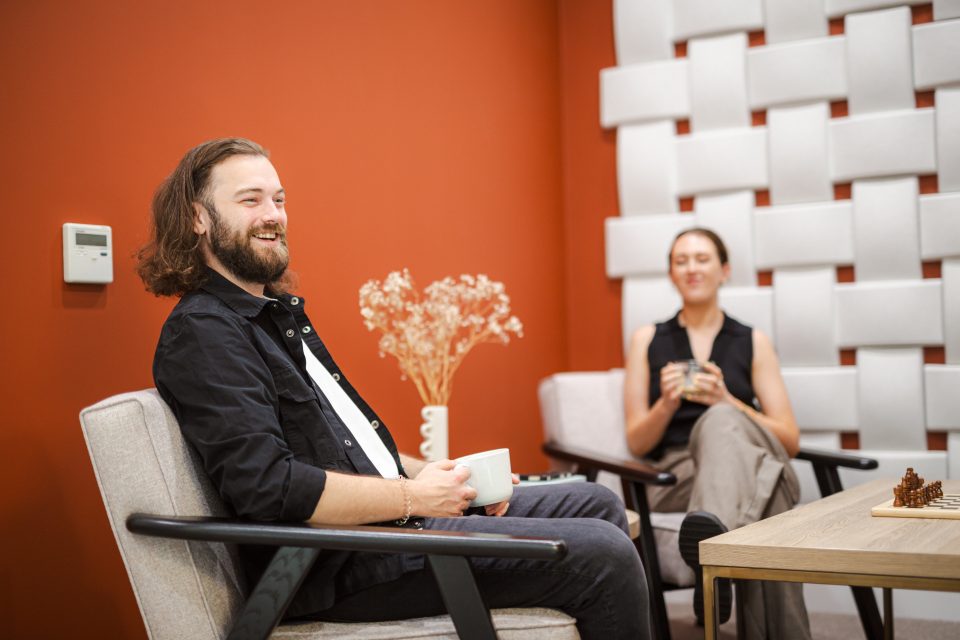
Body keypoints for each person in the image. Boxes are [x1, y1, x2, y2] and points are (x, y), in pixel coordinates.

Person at [138, 137, 650, 639]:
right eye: (250, 200)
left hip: (388, 530)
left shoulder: (273, 317)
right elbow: (268, 487)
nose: (273, 214)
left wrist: (448, 478)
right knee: (604, 551)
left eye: (279, 199)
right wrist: (415, 498)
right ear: (198, 218)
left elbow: (350, 448)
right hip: (343, 563)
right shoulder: (204, 332)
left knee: (596, 503)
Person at [623, 228, 811, 640]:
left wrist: (727, 399)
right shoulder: (647, 339)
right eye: (681, 260)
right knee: (770, 483)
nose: (692, 268)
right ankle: (718, 566)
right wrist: (667, 404)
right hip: (674, 476)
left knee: (722, 423)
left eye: (702, 259)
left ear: (724, 270)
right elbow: (637, 442)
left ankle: (710, 565)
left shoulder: (752, 341)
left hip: (738, 464)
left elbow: (789, 439)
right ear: (671, 273)